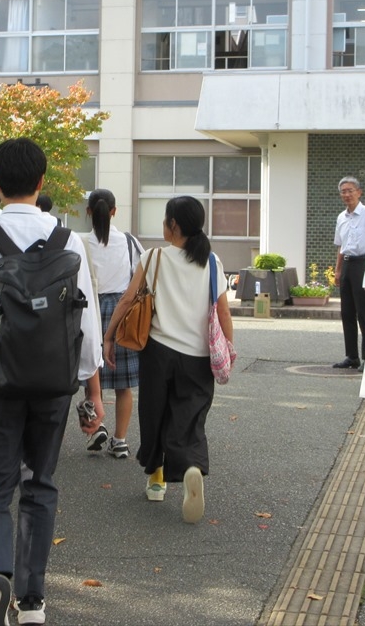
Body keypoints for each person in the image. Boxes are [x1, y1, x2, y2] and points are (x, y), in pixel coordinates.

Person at [0, 138, 103, 626]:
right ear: (41, 182)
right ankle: (32, 602)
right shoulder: (68, 240)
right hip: (54, 380)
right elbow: (86, 320)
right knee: (39, 483)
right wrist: (86, 383)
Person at [102, 196, 232, 525]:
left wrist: (108, 336)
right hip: (199, 356)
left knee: (155, 414)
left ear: (173, 225)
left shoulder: (154, 257)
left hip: (158, 352)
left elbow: (128, 298)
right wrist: (228, 346)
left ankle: (157, 479)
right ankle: (190, 467)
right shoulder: (211, 261)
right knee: (189, 417)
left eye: (165, 220)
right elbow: (222, 310)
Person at [82, 188, 143, 458]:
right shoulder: (129, 242)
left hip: (89, 311)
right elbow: (141, 278)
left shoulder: (79, 242)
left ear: (88, 212)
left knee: (89, 377)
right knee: (123, 384)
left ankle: (96, 428)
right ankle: (120, 440)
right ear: (114, 211)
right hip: (122, 314)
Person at [332, 177, 365, 370]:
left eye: (350, 190)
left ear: (359, 192)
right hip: (348, 265)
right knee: (347, 312)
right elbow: (341, 246)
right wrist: (338, 271)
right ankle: (351, 356)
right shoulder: (341, 217)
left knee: (364, 313)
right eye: (343, 191)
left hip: (364, 264)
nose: (346, 194)